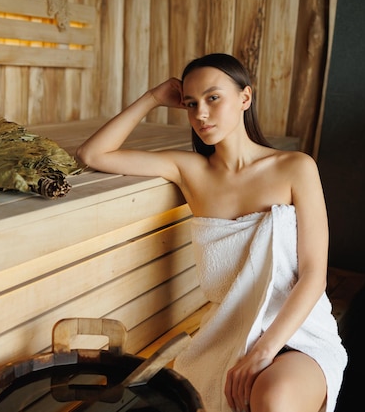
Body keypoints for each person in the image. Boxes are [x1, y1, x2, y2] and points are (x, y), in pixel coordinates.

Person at [76, 53, 347, 412]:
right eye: (191, 103)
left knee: (274, 397)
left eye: (213, 98)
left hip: (298, 333)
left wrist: (264, 350)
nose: (200, 114)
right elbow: (92, 154)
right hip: (227, 336)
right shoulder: (190, 170)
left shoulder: (295, 167)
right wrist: (153, 98)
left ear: (245, 98)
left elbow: (314, 275)